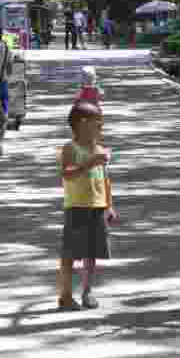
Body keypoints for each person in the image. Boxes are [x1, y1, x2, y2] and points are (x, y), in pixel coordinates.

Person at [57, 102, 118, 311]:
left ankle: (87, 291)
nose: (101, 126)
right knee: (70, 253)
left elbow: (105, 180)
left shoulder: (99, 150)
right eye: (97, 122)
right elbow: (67, 174)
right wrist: (91, 162)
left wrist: (109, 205)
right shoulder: (70, 148)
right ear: (82, 124)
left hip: (97, 206)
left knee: (91, 253)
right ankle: (65, 295)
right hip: (76, 207)